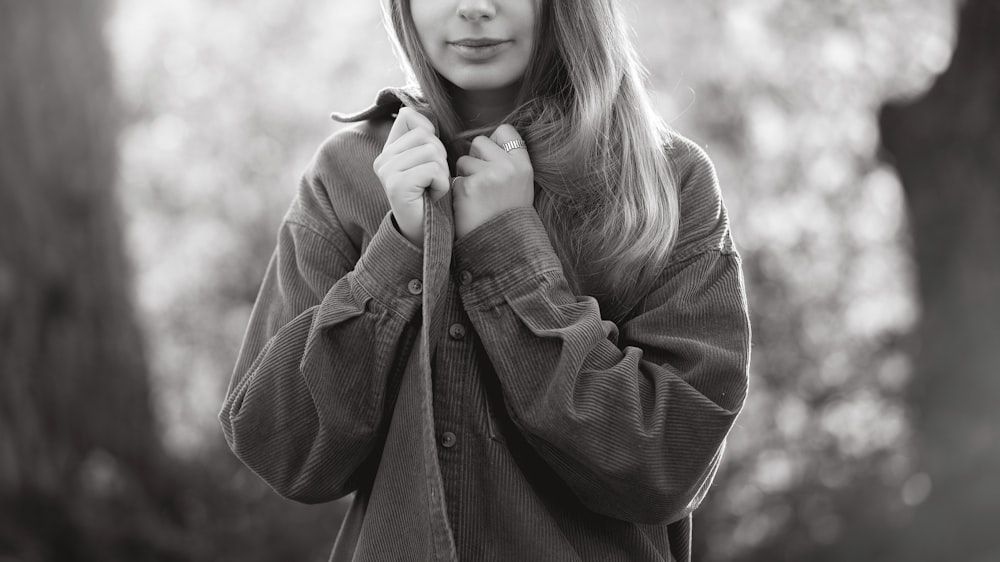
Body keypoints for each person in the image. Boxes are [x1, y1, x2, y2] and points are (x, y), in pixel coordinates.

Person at [219, 0, 751, 560]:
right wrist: (398, 250)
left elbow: (670, 466)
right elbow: (284, 450)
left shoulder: (665, 182)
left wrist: (509, 253)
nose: (475, 7)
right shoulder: (348, 173)